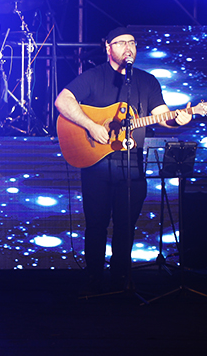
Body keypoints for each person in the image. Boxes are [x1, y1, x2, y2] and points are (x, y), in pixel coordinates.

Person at [54, 26, 192, 294]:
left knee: (126, 226)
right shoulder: (93, 77)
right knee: (96, 224)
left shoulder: (147, 81)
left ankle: (120, 280)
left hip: (132, 163)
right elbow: (63, 101)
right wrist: (92, 126)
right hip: (97, 162)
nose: (128, 47)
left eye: (132, 43)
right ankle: (93, 277)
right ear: (108, 47)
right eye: (121, 42)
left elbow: (163, 114)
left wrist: (179, 119)